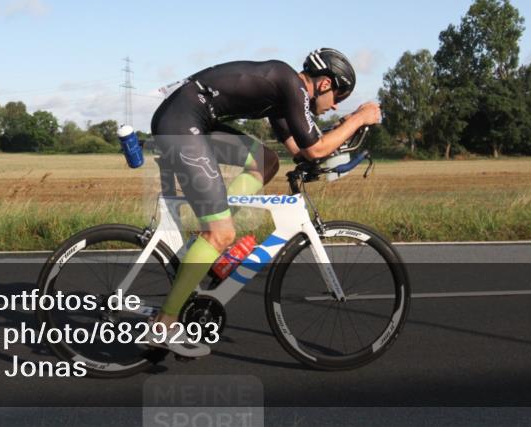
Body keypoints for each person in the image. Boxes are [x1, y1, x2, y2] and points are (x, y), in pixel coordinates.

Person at [146, 48, 382, 357]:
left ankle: (213, 235)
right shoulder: (292, 85)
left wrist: (342, 144)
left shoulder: (284, 95)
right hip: (181, 123)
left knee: (265, 161)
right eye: (338, 96)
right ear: (324, 84)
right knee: (221, 233)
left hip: (187, 117)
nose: (335, 105)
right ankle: (164, 324)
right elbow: (316, 149)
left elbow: (300, 150)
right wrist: (358, 118)